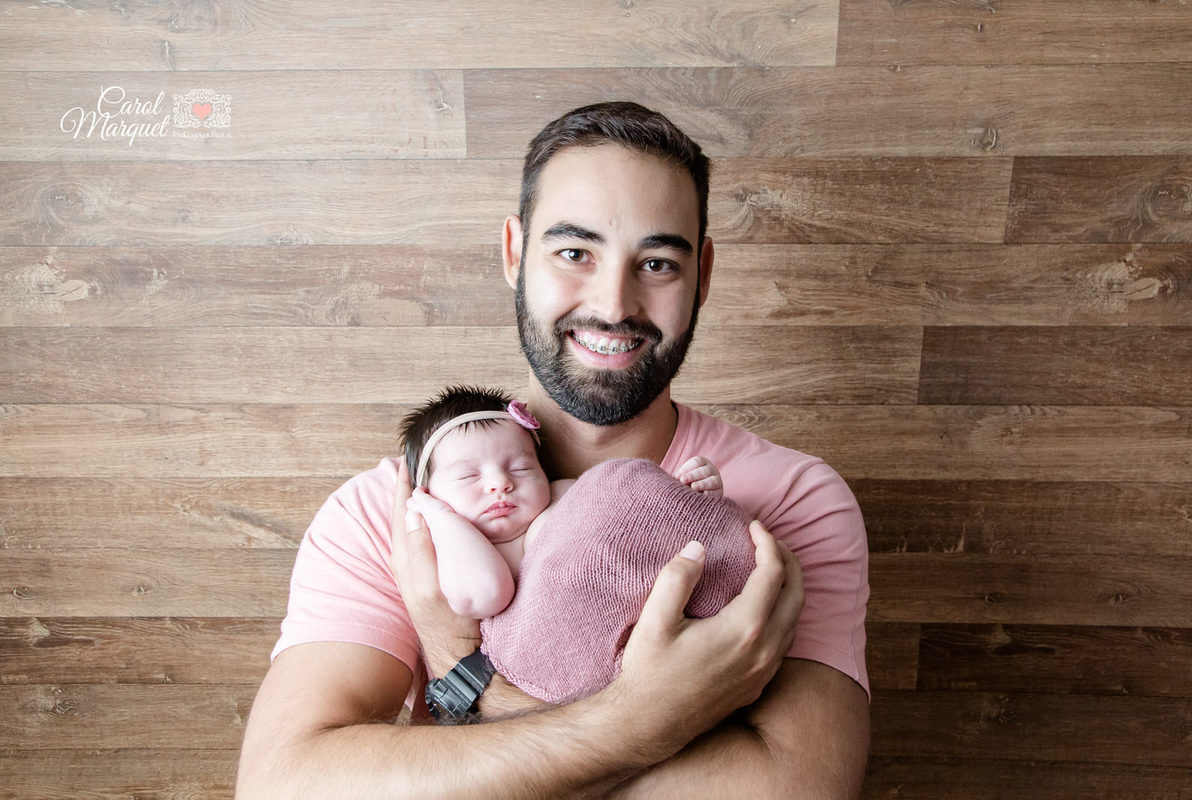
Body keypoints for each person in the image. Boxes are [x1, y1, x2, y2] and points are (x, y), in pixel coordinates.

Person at [237, 101, 870, 797]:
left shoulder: (793, 500)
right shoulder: (392, 517)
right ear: (514, 253)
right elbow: (282, 785)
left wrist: (463, 672)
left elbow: (799, 789)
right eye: (575, 253)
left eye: (657, 263)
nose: (614, 304)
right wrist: (642, 721)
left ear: (704, 276)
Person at [399, 383, 754, 703]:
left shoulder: (565, 494)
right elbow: (487, 593)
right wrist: (439, 517)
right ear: (427, 493)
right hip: (571, 672)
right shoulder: (453, 549)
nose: (500, 483)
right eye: (468, 476)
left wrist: (684, 495)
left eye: (521, 467)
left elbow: (638, 525)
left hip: (659, 613)